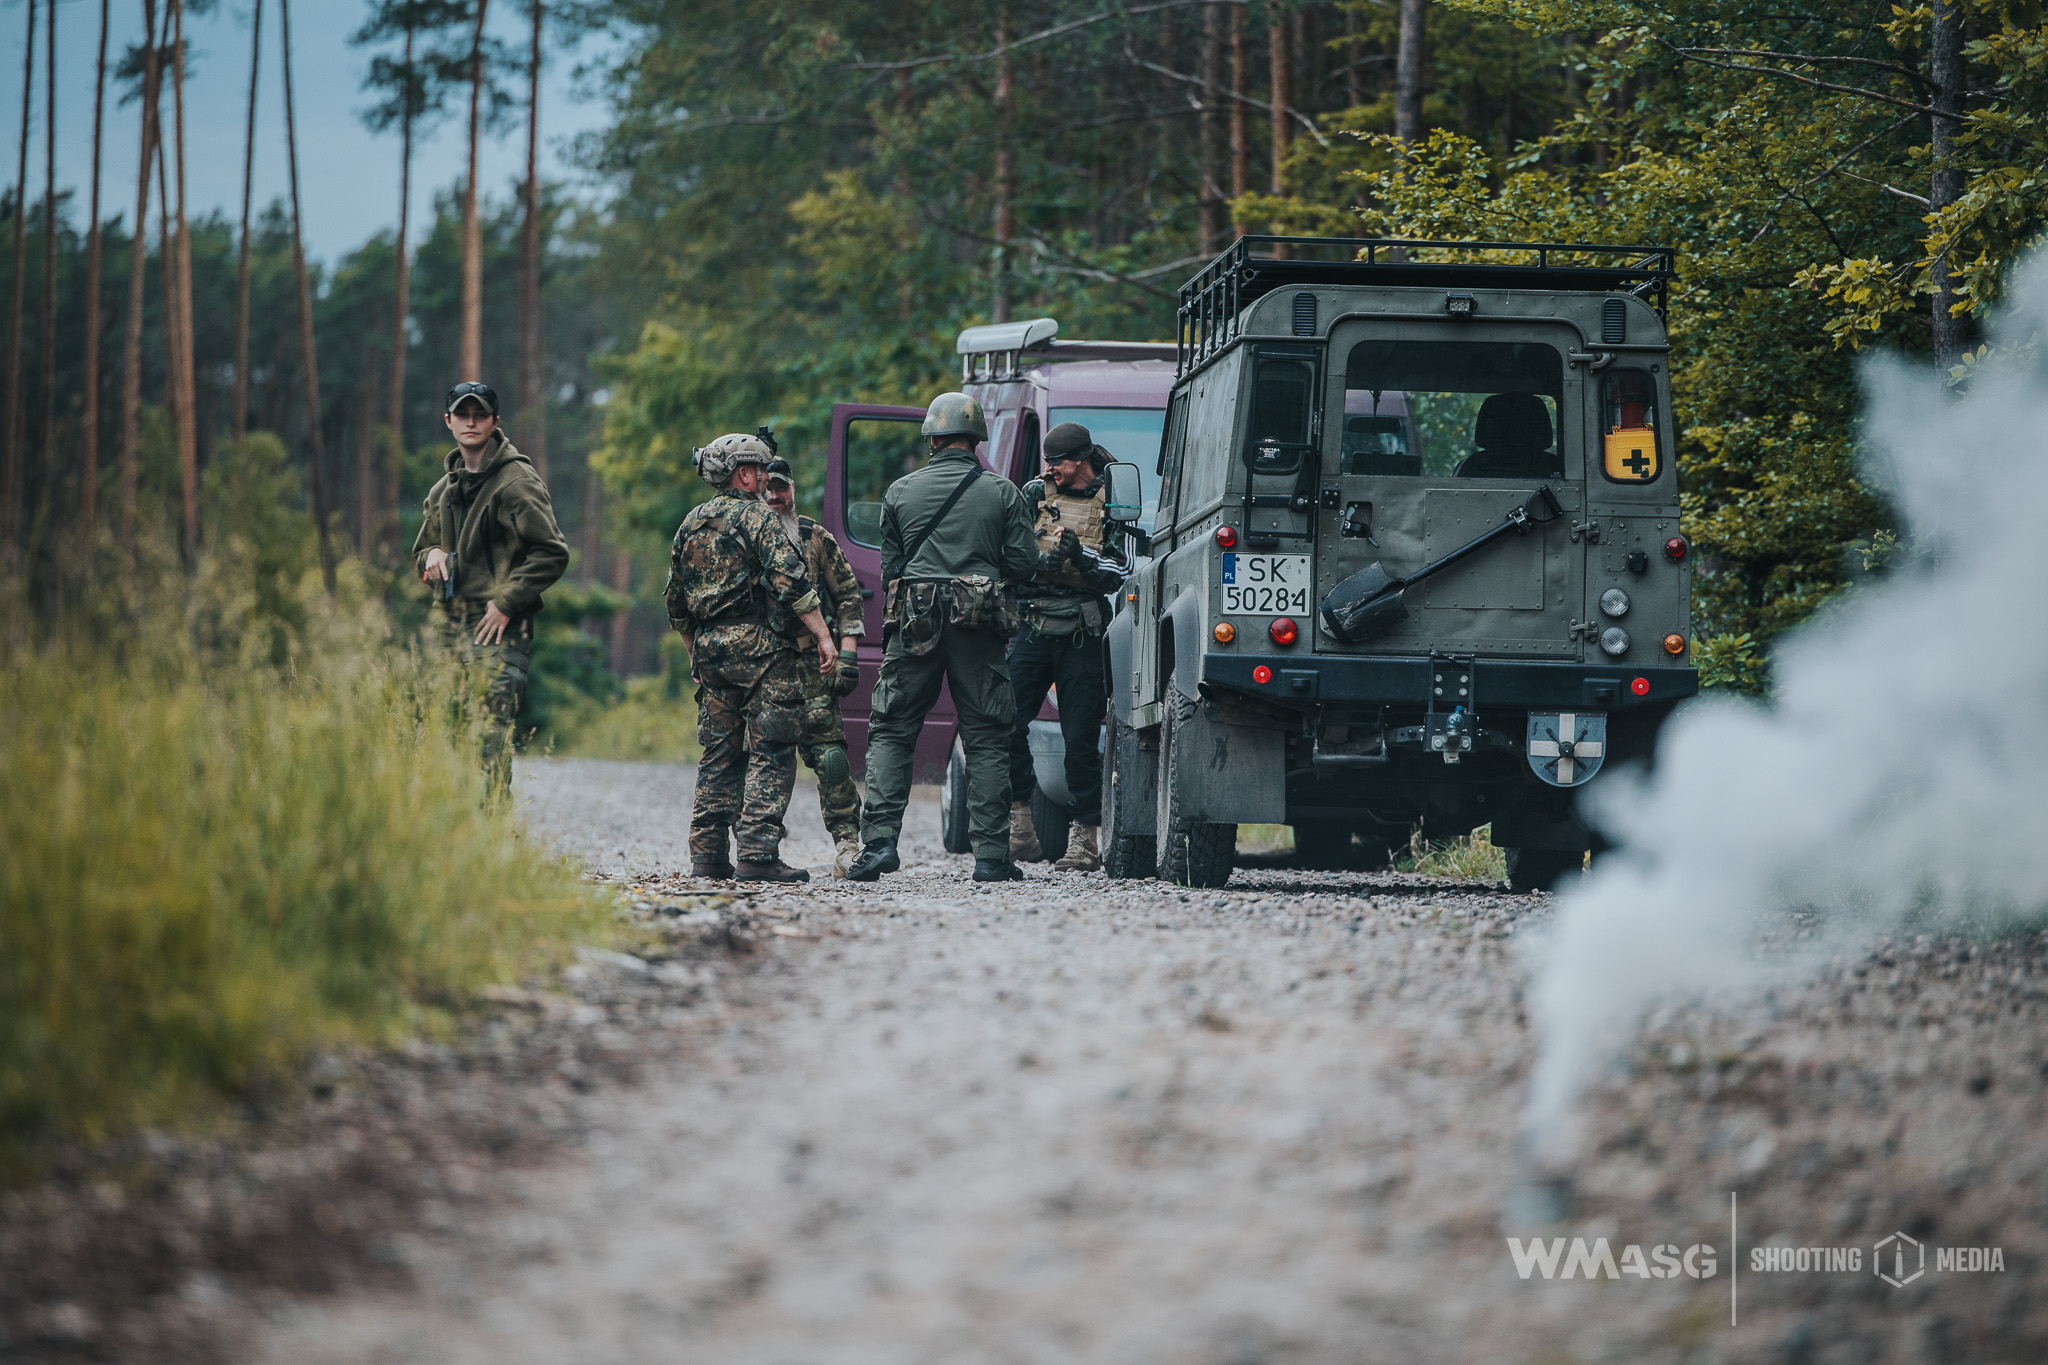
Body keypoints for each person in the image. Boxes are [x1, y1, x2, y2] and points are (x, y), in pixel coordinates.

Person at [846, 392, 1037, 884]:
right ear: (976, 439)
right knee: (988, 736)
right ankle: (992, 857)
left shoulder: (900, 492)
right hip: (979, 627)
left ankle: (880, 845)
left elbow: (892, 569)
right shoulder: (1002, 492)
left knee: (891, 727)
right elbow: (1022, 565)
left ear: (931, 436)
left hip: (914, 625)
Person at [666, 433, 840, 882]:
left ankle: (707, 855)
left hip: (710, 653)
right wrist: (823, 635)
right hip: (762, 652)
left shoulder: (690, 523)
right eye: (761, 471)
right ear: (743, 474)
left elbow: (676, 601)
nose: (766, 479)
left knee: (719, 752)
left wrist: (696, 656)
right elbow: (792, 582)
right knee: (773, 747)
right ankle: (758, 855)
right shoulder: (758, 518)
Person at [413, 381, 569, 802]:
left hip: (499, 630)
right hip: (449, 628)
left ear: (495, 422)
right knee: (442, 733)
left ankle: (491, 835)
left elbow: (552, 552)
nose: (471, 421)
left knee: (487, 736)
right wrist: (430, 556)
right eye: (462, 415)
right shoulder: (443, 491)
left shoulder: (516, 482)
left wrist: (506, 602)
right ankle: (455, 839)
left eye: (480, 414)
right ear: (448, 422)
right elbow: (422, 550)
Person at [1006, 421, 1131, 872]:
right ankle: (1021, 828)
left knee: (1080, 739)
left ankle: (1084, 839)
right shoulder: (1032, 495)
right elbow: (1011, 553)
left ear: (1077, 460)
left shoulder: (1112, 496)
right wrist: (1041, 561)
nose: (1049, 469)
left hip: (1082, 631)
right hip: (1033, 626)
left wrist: (1080, 555)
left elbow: (1120, 570)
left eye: (1056, 461)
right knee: (1005, 723)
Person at [760, 455, 866, 877]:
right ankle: (758, 848)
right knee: (765, 757)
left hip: (813, 665)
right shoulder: (744, 536)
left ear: (792, 490)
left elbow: (849, 597)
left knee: (831, 759)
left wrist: (850, 653)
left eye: (780, 488)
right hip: (762, 666)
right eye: (766, 489)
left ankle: (847, 845)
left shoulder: (814, 538)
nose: (773, 497)